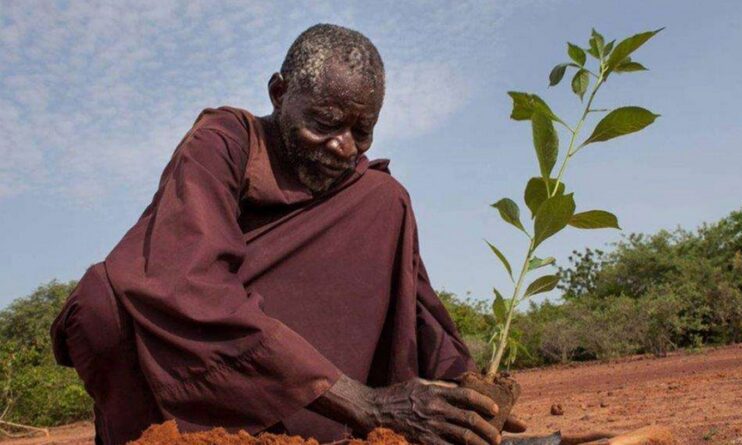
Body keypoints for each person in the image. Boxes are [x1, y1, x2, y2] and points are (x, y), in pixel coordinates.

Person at [51, 24, 525, 445]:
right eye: (324, 123)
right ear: (279, 93)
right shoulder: (223, 143)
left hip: (295, 388)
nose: (343, 147)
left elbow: (416, 304)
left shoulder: (367, 195)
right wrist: (366, 404)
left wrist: (470, 400)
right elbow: (186, 282)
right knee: (105, 301)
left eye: (362, 131)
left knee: (385, 198)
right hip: (185, 372)